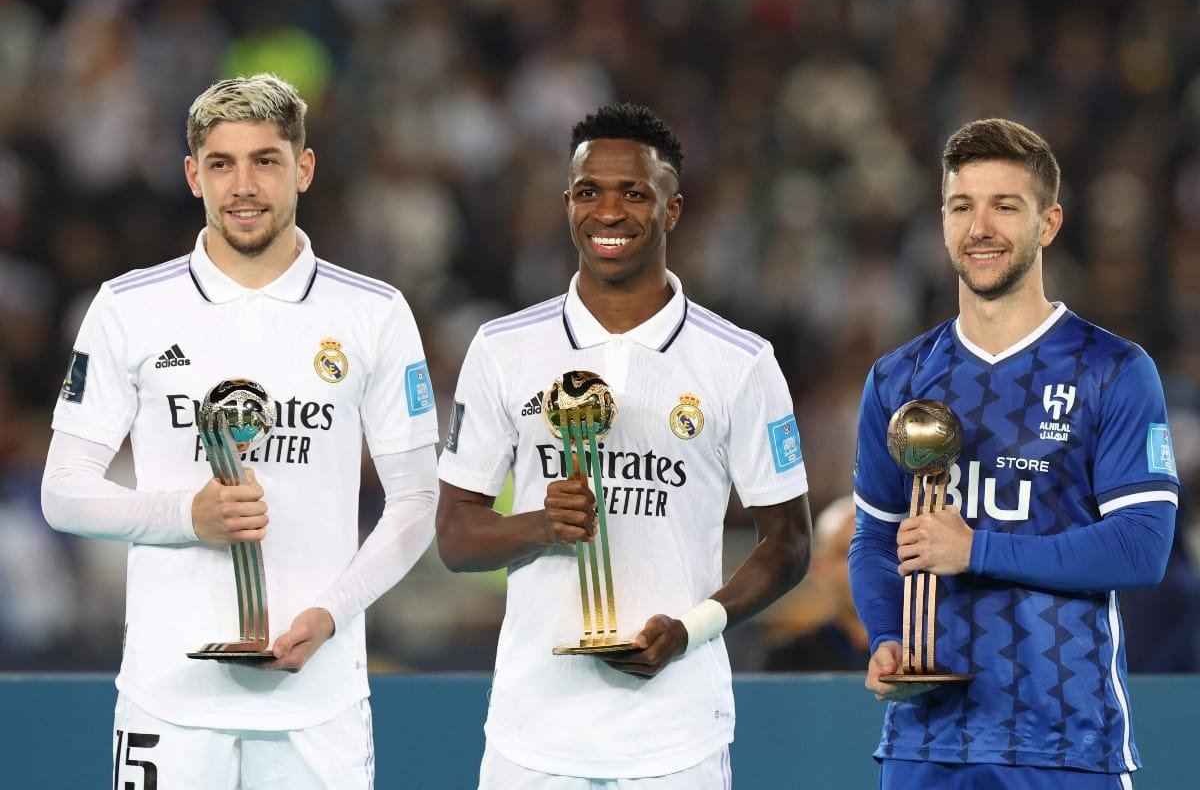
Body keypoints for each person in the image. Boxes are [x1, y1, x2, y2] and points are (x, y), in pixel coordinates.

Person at [41, 74, 439, 788]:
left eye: (266, 160)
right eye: (222, 164)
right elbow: (62, 493)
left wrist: (333, 613)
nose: (244, 185)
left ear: (304, 169)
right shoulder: (129, 308)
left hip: (318, 701)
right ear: (194, 176)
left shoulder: (372, 314)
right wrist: (183, 516)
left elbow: (417, 501)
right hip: (168, 701)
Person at [435, 102, 812, 788]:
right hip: (532, 735)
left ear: (672, 210)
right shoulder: (503, 349)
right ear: (567, 204)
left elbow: (789, 543)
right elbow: (456, 538)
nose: (608, 212)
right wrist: (540, 525)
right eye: (589, 192)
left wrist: (693, 628)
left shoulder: (740, 362)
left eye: (634, 193)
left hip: (676, 737)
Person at [848, 118, 1180, 789]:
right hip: (926, 740)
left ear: (1048, 223)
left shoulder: (1112, 369)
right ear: (942, 221)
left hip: (1064, 742)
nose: (980, 228)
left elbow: (1142, 547)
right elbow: (876, 540)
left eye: (1006, 206)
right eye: (961, 206)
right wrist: (888, 634)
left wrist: (976, 550)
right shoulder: (897, 379)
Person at [763, 494, 869, 671]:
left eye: (878, 554)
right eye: (846, 554)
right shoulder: (788, 661)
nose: (865, 568)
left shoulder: (928, 655)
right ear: (819, 567)